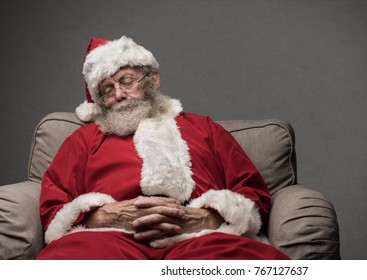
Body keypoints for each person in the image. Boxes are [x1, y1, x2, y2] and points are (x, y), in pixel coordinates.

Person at [36, 36, 290, 260]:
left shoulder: (205, 128)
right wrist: (104, 216)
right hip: (110, 237)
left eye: (126, 81)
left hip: (201, 235)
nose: (120, 95)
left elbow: (251, 190)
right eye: (107, 90)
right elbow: (54, 201)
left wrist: (204, 218)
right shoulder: (84, 139)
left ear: (153, 80)